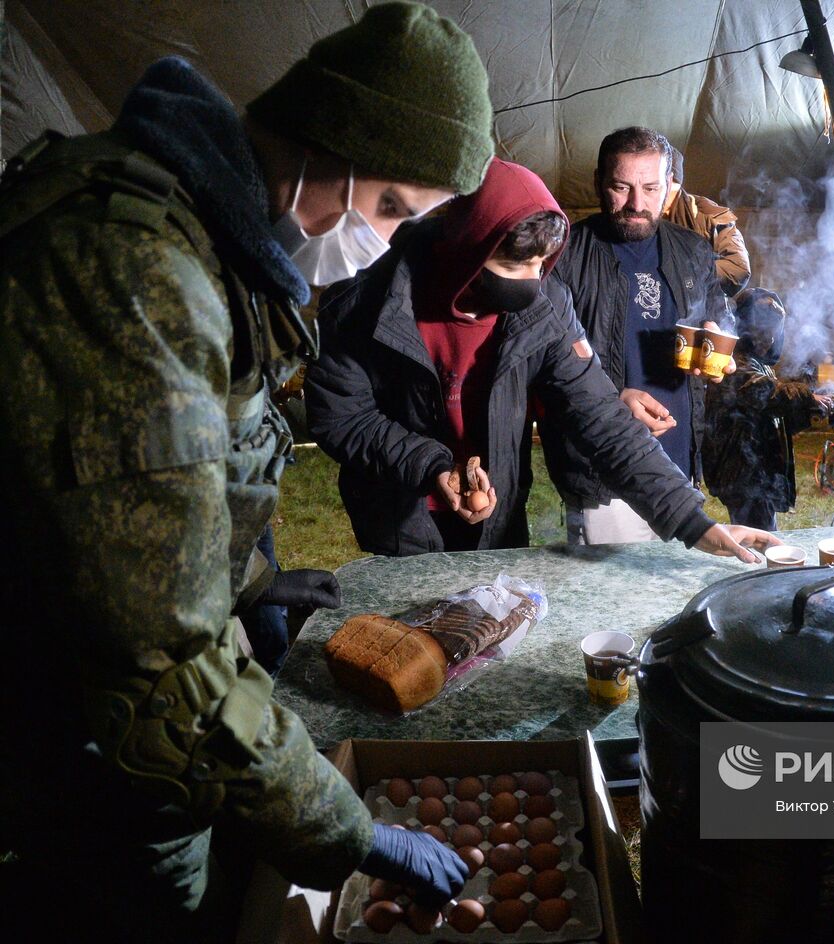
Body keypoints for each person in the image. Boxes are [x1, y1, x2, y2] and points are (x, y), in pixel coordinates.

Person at [0, 4, 495, 937]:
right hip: (82, 758)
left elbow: (164, 527)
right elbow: (157, 665)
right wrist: (350, 833)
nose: (376, 239)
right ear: (318, 145)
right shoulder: (135, 273)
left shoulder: (196, 242)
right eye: (386, 206)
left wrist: (243, 577)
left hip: (116, 742)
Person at [306, 157, 776, 562]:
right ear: (467, 251)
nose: (534, 281)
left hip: (498, 515)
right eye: (515, 267)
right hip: (401, 515)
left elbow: (603, 419)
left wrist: (693, 523)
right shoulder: (363, 300)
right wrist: (429, 463)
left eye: (542, 265)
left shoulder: (544, 304)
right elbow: (340, 415)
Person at [549, 126, 733, 545]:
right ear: (599, 182)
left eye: (651, 188)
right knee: (613, 601)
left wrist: (716, 335)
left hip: (679, 465)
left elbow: (717, 313)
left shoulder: (694, 250)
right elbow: (548, 365)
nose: (637, 203)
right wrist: (615, 400)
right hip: (605, 476)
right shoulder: (565, 256)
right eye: (621, 187)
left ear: (669, 187)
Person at [703, 289, 833, 530]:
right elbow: (765, 393)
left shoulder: (759, 365)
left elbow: (774, 416)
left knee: (763, 530)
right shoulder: (735, 364)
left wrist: (810, 407)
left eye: (773, 333)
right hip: (743, 473)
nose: (771, 340)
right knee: (760, 539)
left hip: (756, 472)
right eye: (763, 332)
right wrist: (806, 396)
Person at [661, 146, 752, 296]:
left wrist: (683, 273)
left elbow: (737, 268)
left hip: (698, 312)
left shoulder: (710, 217)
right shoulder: (634, 213)